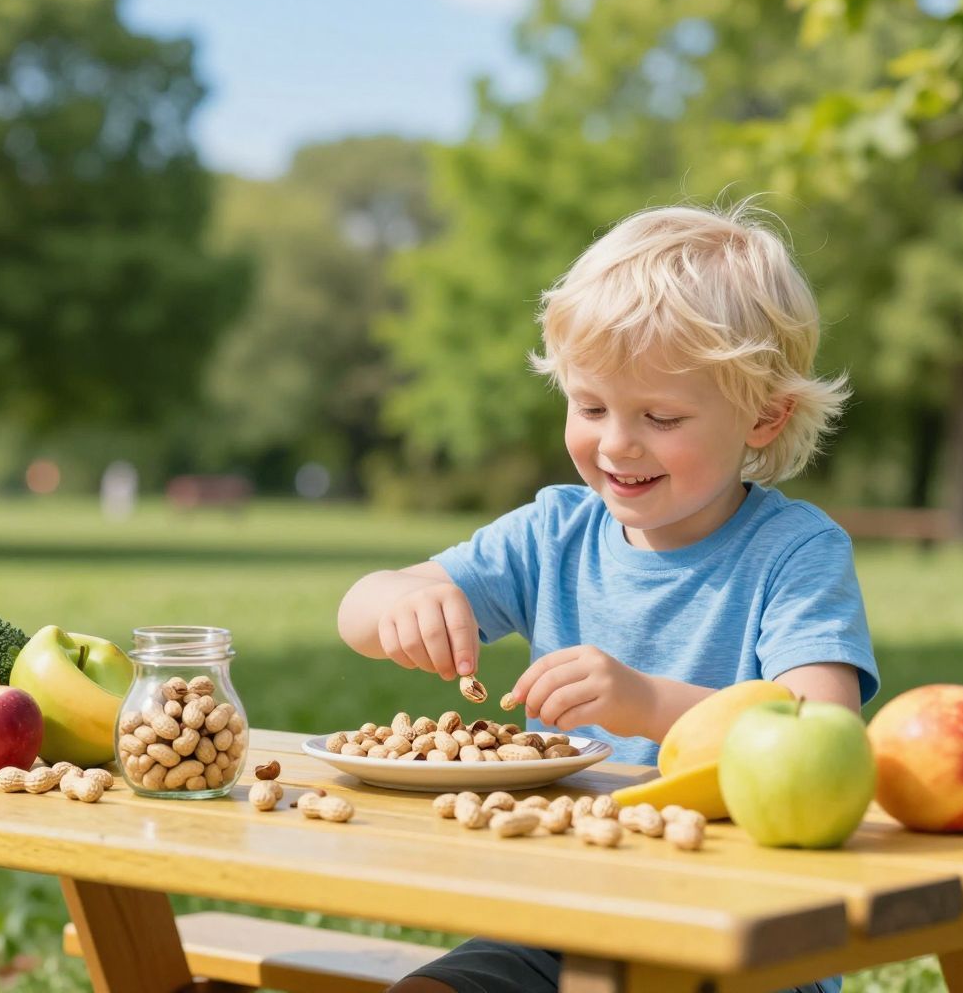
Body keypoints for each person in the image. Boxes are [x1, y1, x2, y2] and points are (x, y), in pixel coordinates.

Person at [337, 202, 879, 993]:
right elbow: (360, 610)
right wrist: (399, 602)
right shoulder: (555, 531)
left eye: (660, 416)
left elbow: (823, 733)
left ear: (764, 416)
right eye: (590, 407)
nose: (617, 442)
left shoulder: (794, 553)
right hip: (557, 919)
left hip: (743, 934)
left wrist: (649, 702)